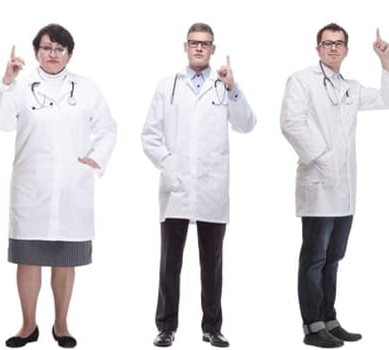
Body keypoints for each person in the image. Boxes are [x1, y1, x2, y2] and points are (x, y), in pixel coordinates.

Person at [0, 23, 117, 349]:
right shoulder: (20, 86)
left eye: (60, 49)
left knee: (64, 259)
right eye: (47, 48)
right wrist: (6, 80)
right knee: (28, 258)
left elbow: (108, 128)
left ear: (69, 54)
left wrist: (95, 160)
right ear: (36, 52)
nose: (53, 54)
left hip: (72, 187)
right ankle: (28, 325)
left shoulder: (86, 88)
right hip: (32, 188)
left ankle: (61, 324)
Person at [278, 23, 389, 349]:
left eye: (339, 44)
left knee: (334, 257)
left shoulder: (350, 87)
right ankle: (312, 326)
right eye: (327, 43)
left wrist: (385, 60)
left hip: (345, 190)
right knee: (315, 258)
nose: (333, 48)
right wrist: (323, 157)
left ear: (346, 50)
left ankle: (329, 319)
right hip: (318, 185)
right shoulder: (302, 80)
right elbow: (291, 123)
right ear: (317, 48)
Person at [141, 22, 254, 349]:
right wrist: (169, 164)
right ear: (186, 46)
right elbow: (149, 134)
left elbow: (247, 124)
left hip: (211, 188)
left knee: (212, 263)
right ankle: (166, 327)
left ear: (213, 48)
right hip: (176, 187)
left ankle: (212, 327)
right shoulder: (168, 86)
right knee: (169, 263)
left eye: (205, 43)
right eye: (194, 43)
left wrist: (233, 87)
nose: (199, 48)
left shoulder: (223, 87)